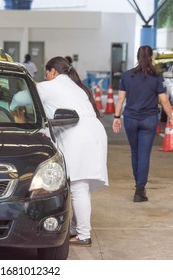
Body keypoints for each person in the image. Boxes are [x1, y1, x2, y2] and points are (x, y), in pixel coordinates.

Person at [36, 56, 108, 246]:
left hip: (80, 136)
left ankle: (84, 235)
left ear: (53, 71)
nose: (47, 78)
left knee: (78, 186)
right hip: (93, 132)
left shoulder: (49, 86)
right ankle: (76, 228)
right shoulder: (76, 87)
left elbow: (22, 96)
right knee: (80, 187)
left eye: (47, 74)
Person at [112, 45, 173, 203]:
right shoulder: (156, 76)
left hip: (131, 119)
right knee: (144, 154)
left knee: (135, 152)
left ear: (137, 57)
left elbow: (120, 99)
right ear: (151, 57)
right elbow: (164, 100)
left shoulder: (127, 75)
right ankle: (140, 190)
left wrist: (116, 117)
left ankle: (138, 183)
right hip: (149, 120)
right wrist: (171, 117)